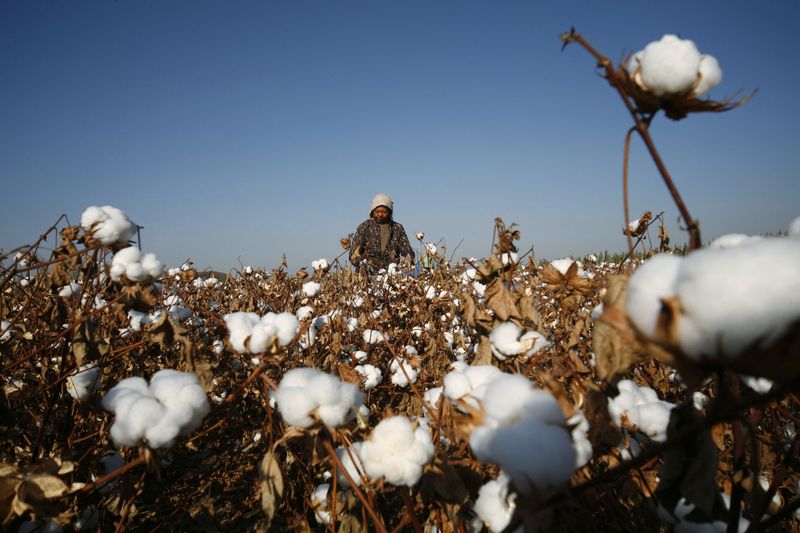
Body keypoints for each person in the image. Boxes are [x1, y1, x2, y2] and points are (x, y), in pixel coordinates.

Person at [349, 193, 415, 272]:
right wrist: (363, 264)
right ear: (372, 212)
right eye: (377, 212)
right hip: (368, 274)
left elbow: (407, 250)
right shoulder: (365, 227)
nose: (380, 214)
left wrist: (408, 259)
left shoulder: (397, 228)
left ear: (390, 212)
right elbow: (353, 254)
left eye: (384, 212)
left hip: (391, 274)